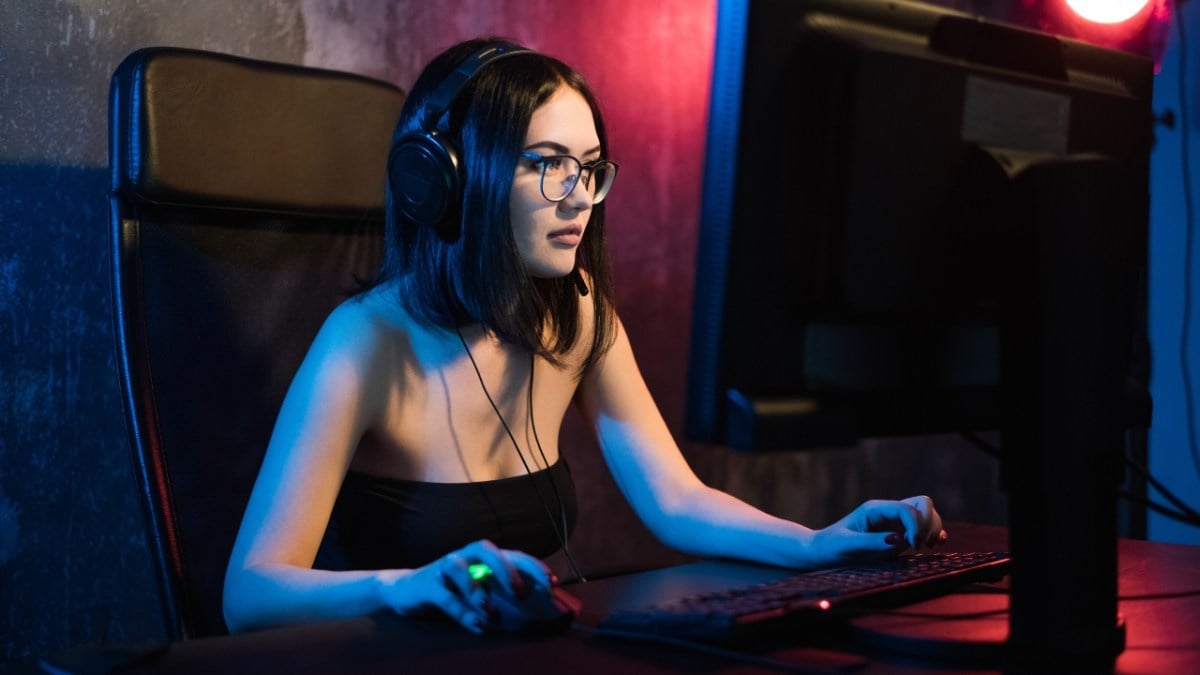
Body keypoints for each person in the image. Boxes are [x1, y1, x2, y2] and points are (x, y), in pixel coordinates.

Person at [223, 37, 947, 636]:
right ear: (448, 180)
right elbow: (249, 592)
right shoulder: (365, 342)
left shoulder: (576, 316)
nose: (579, 198)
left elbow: (674, 499)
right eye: (545, 165)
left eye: (590, 168)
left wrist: (817, 544)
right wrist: (405, 585)